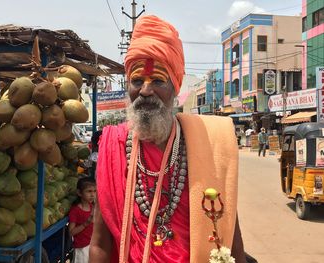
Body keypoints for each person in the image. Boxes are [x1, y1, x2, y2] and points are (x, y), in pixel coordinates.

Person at [90, 15, 247, 263]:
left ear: (175, 88)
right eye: (137, 81)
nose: (145, 91)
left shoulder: (207, 142)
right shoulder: (114, 146)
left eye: (158, 81)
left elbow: (229, 231)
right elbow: (99, 244)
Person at [69, 177, 96, 263]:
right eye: (89, 191)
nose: (93, 195)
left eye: (94, 191)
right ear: (79, 193)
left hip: (91, 245)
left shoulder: (92, 207)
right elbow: (71, 232)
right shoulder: (75, 210)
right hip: (81, 248)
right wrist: (85, 224)